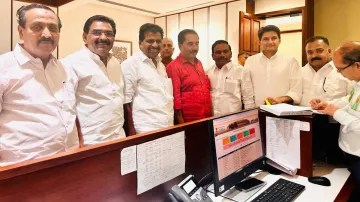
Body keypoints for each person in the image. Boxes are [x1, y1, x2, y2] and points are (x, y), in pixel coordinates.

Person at [0, 4, 79, 166]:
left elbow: (70, 113)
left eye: (53, 28)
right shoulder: (3, 67)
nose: (47, 34)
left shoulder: (66, 69)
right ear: (21, 31)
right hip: (23, 170)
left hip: (70, 162)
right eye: (37, 27)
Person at [61, 15, 125, 145]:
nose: (103, 38)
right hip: (91, 142)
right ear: (85, 37)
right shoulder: (70, 64)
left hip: (119, 137)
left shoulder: (116, 63)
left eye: (109, 34)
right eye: (96, 33)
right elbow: (65, 110)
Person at [313, 41, 360, 202]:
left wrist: (336, 113)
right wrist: (328, 105)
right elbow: (351, 101)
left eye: (340, 69)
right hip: (351, 153)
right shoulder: (357, 83)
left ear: (357, 66)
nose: (339, 73)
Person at [121, 23, 173, 135]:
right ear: (140, 43)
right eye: (150, 41)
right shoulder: (131, 64)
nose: (155, 45)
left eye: (158, 41)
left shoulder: (161, 65)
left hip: (166, 126)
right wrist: (131, 134)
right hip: (145, 129)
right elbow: (126, 102)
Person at [244, 25, 302, 106]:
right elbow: (247, 90)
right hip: (257, 110)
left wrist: (280, 99)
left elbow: (296, 90)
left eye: (274, 38)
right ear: (259, 42)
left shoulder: (291, 61)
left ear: (279, 41)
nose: (270, 42)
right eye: (265, 39)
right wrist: (249, 112)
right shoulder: (250, 61)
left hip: (284, 111)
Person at [167, 29, 211, 123]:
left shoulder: (199, 63)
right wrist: (181, 123)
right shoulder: (173, 66)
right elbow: (175, 97)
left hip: (205, 117)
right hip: (188, 121)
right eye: (190, 44)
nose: (195, 48)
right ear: (180, 46)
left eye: (197, 43)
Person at [300, 36, 353, 107]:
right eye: (310, 52)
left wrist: (328, 105)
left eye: (319, 51)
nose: (314, 55)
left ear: (329, 52)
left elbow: (353, 98)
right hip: (301, 117)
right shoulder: (299, 72)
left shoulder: (344, 71)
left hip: (334, 116)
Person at [207, 40, 255, 116]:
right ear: (212, 56)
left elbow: (248, 98)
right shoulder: (208, 72)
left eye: (225, 51)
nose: (222, 55)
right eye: (218, 52)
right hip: (210, 119)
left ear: (231, 54)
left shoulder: (241, 71)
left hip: (232, 119)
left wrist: (250, 117)